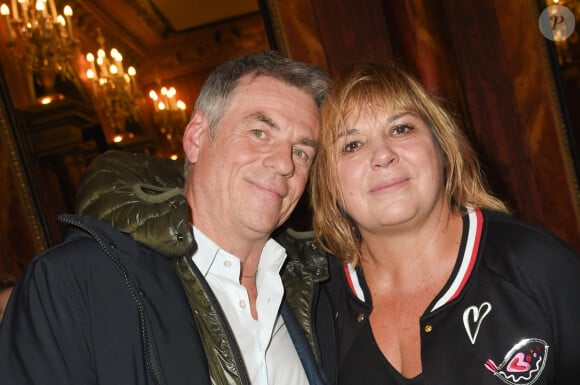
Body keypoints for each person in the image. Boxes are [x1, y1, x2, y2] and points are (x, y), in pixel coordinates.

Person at [0, 50, 337, 385]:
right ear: (196, 137)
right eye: (260, 133)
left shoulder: (316, 291)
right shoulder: (74, 283)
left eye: (301, 151)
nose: (284, 163)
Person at [310, 63, 580, 385]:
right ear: (326, 181)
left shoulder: (534, 265)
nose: (382, 155)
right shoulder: (315, 301)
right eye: (352, 145)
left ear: (442, 145)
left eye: (401, 129)